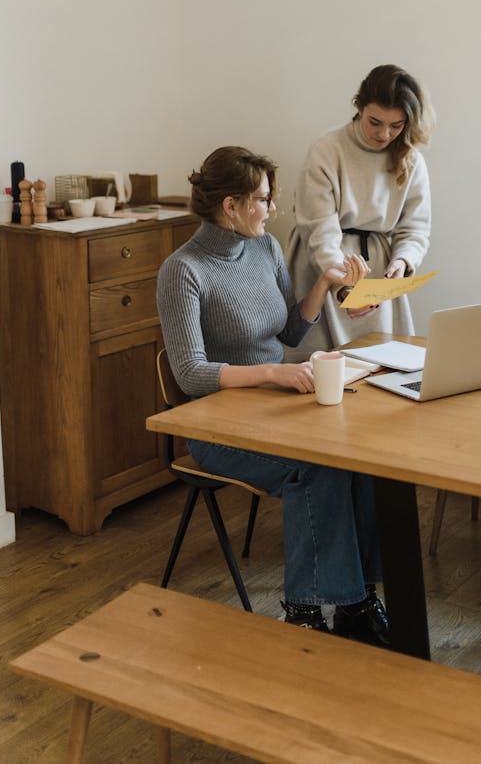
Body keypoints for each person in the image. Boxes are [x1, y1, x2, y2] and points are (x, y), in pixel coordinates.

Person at [156, 145, 388, 645]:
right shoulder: (182, 271)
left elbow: (288, 333)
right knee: (315, 466)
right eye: (263, 199)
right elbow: (192, 374)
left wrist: (324, 284)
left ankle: (357, 599)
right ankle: (307, 611)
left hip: (270, 407)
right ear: (231, 206)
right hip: (213, 428)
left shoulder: (263, 249)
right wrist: (270, 375)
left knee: (362, 457)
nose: (272, 209)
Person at [285, 63, 433, 357]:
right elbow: (319, 230)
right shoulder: (327, 150)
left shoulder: (410, 159)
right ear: (359, 108)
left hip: (378, 270)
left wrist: (403, 261)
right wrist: (346, 290)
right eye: (375, 122)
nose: (384, 134)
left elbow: (415, 228)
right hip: (323, 262)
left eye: (396, 125)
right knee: (317, 369)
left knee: (383, 365)